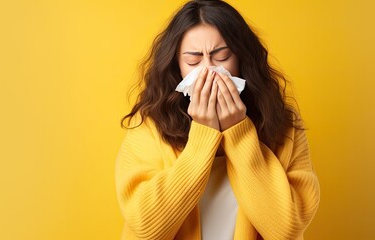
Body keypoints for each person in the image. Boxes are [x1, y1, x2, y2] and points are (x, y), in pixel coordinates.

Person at [114, 0, 320, 239]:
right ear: (177, 66)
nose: (209, 70)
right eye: (193, 61)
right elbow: (147, 228)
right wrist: (203, 134)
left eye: (221, 57)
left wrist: (238, 131)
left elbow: (287, 229)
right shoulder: (149, 126)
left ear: (242, 59)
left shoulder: (283, 125)